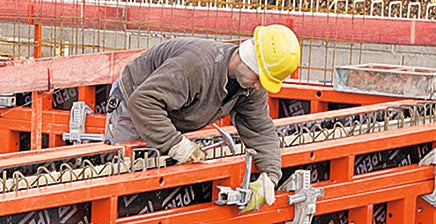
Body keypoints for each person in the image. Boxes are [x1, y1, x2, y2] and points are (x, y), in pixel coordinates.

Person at [105, 25, 302, 212]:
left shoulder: (250, 88)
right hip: (134, 99)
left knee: (161, 158)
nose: (259, 86)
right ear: (248, 60)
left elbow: (259, 129)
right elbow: (143, 101)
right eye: (259, 78)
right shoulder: (197, 66)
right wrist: (176, 144)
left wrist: (270, 176)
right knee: (127, 169)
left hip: (171, 107)